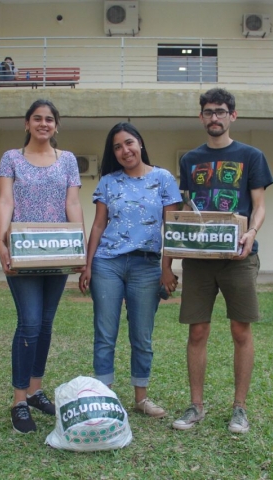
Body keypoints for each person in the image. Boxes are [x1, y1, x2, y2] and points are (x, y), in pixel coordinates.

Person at [172, 88, 273, 434]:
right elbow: (188, 207)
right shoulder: (189, 160)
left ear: (233, 115)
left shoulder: (252, 155)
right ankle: (195, 406)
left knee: (240, 329)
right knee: (197, 330)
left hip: (239, 256)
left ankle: (239, 409)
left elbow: (258, 204)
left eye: (220, 111)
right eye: (208, 112)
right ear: (201, 117)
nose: (214, 118)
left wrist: (252, 232)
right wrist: (180, 240)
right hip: (199, 258)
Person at [78, 122, 182, 418]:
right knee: (105, 332)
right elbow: (99, 224)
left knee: (142, 335)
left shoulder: (163, 179)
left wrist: (167, 269)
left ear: (140, 143)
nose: (124, 150)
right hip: (107, 263)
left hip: (146, 265)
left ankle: (141, 398)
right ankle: (105, 397)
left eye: (129, 143)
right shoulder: (109, 182)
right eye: (117, 147)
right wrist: (87, 265)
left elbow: (171, 227)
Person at [0, 99, 85, 433]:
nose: (43, 124)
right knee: (29, 324)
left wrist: (80, 249)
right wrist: (0, 241)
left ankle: (35, 391)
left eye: (49, 119)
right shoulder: (11, 158)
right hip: (24, 252)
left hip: (58, 253)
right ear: (27, 123)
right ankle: (19, 401)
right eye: (37, 119)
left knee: (45, 324)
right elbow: (6, 200)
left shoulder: (69, 161)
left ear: (56, 126)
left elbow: (72, 202)